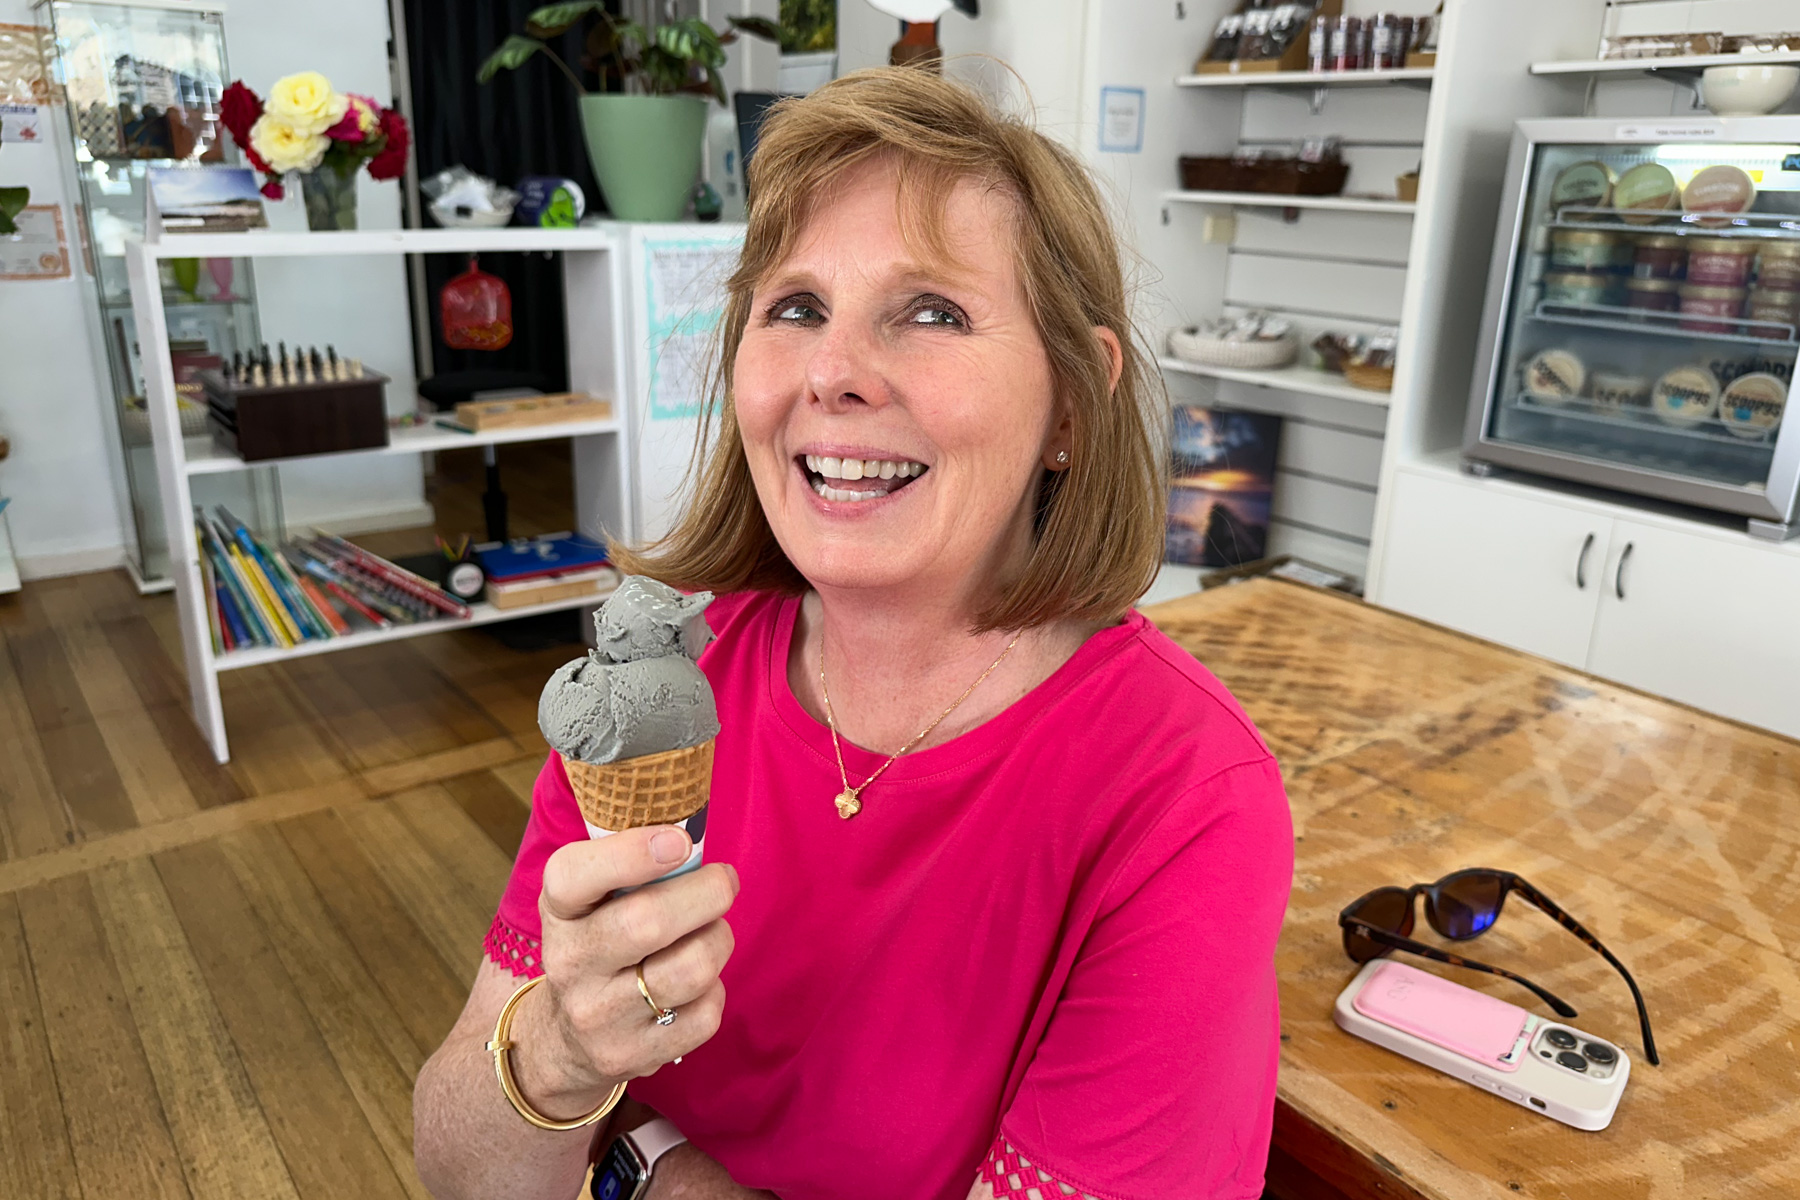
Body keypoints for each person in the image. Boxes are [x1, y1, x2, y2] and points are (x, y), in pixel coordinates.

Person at [414, 65, 1293, 1200]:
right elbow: (460, 1173)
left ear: (1073, 405)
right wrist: (559, 1055)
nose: (831, 374)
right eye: (795, 308)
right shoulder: (657, 693)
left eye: (931, 311)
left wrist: (660, 1170)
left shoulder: (1183, 798)